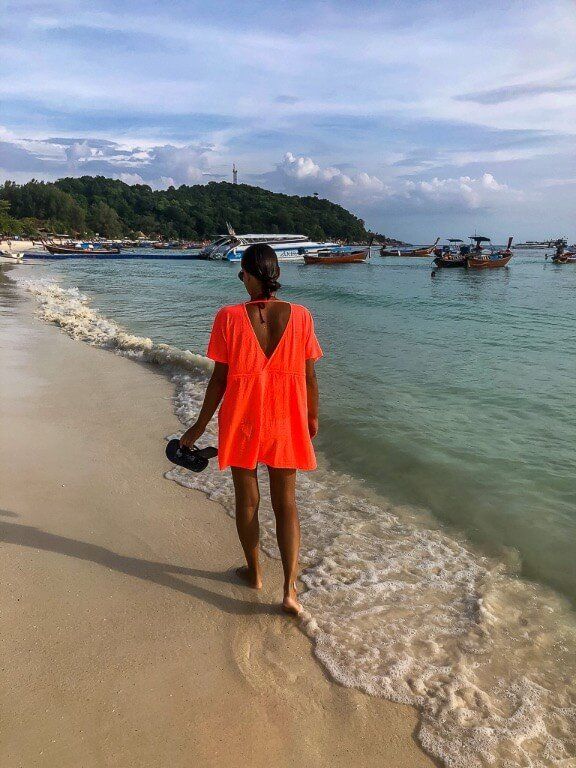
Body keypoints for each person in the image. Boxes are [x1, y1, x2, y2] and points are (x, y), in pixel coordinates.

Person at [180, 243, 323, 615]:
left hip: (242, 418)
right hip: (287, 417)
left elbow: (219, 381)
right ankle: (289, 590)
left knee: (248, 502)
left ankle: (255, 573)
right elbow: (309, 376)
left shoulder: (228, 316)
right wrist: (312, 417)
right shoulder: (303, 315)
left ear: (248, 273)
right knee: (286, 503)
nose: (241, 280)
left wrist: (197, 427)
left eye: (241, 274)